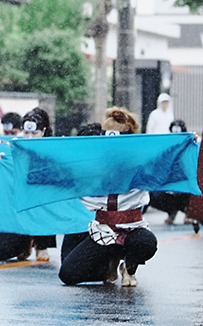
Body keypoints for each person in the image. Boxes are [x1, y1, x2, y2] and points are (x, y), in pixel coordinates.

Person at [59, 107, 158, 287]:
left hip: (132, 229)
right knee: (68, 274)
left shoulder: (141, 165)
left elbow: (167, 162)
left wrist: (187, 144)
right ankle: (107, 266)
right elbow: (62, 172)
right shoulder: (93, 166)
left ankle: (130, 266)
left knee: (146, 242)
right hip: (104, 232)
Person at [0, 107, 55, 263]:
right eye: (26, 133)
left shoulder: (52, 150)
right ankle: (25, 241)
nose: (29, 137)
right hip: (19, 213)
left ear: (44, 131)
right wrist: (2, 163)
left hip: (41, 211)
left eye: (35, 133)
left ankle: (42, 243)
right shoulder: (14, 147)